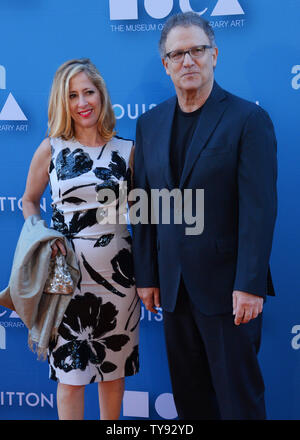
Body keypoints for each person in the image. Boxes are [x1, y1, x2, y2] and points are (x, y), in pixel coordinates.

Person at [132, 12, 277, 420]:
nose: (188, 61)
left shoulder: (249, 119)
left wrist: (249, 284)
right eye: (177, 54)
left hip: (230, 292)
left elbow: (259, 209)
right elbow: (142, 205)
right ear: (166, 64)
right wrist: (146, 275)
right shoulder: (150, 124)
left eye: (197, 50)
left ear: (215, 54)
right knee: (190, 401)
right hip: (174, 291)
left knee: (239, 402)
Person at [21, 58, 140, 420]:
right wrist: (42, 235)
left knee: (113, 374)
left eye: (88, 92)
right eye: (72, 95)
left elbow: (145, 212)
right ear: (63, 102)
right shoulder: (51, 149)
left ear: (101, 96)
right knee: (70, 378)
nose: (82, 102)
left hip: (120, 281)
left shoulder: (128, 150)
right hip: (66, 278)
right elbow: (28, 201)